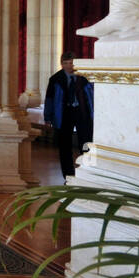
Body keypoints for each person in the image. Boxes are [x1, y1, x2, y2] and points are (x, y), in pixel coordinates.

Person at [43, 52, 94, 181]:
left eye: (71, 63)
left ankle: (90, 173)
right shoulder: (55, 79)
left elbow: (93, 96)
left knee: (87, 143)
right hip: (63, 114)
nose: (68, 66)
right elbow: (49, 99)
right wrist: (48, 117)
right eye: (65, 63)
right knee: (65, 146)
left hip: (82, 113)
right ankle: (68, 176)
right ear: (61, 64)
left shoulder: (84, 77)